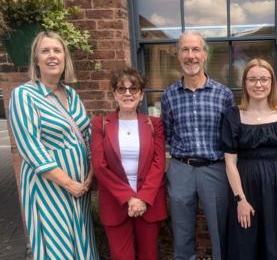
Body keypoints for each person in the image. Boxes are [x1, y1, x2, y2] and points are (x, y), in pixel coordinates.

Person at [8, 31, 98, 259]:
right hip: (49, 188)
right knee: (58, 246)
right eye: (45, 51)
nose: (52, 56)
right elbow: (30, 148)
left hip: (80, 189)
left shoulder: (72, 94)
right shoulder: (24, 95)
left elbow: (88, 137)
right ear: (36, 60)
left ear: (65, 58)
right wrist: (69, 183)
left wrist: (90, 174)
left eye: (57, 51)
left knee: (82, 241)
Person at [161, 31, 235, 260]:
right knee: (182, 234)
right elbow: (168, 133)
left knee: (220, 231)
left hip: (215, 168)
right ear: (178, 55)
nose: (190, 56)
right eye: (185, 50)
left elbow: (230, 137)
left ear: (204, 55)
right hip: (181, 169)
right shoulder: (169, 95)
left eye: (195, 50)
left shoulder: (224, 95)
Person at [221, 58, 277, 260]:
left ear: (272, 82)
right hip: (245, 187)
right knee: (244, 242)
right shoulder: (233, 116)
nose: (258, 84)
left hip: (276, 187)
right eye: (252, 79)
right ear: (245, 83)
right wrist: (240, 200)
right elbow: (230, 162)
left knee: (274, 242)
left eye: (264, 79)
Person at [91, 68, 167, 260]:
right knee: (121, 256)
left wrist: (142, 198)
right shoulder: (100, 124)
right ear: (114, 95)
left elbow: (159, 164)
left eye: (133, 89)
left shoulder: (154, 124)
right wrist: (128, 198)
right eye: (121, 89)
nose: (127, 93)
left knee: (149, 255)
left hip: (148, 202)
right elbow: (100, 166)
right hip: (115, 203)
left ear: (141, 95)